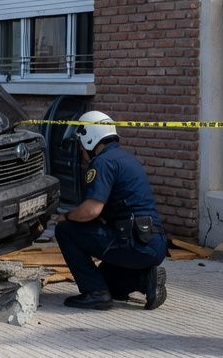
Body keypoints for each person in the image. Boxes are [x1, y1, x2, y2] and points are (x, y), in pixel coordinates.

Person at [55, 111, 169, 310]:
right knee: (105, 280)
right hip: (151, 242)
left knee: (65, 230)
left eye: (81, 144)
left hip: (133, 242)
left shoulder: (103, 162)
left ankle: (95, 294)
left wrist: (64, 216)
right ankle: (145, 279)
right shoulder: (124, 158)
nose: (81, 151)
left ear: (90, 139)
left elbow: (90, 211)